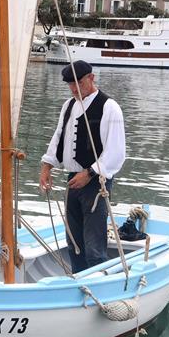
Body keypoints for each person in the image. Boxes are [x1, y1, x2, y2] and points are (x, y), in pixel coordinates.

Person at [39, 60, 126, 273]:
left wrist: (90, 173)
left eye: (78, 83)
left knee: (94, 245)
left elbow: (116, 152)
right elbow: (59, 136)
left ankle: (98, 285)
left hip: (97, 183)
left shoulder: (109, 107)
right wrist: (47, 166)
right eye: (70, 84)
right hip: (73, 179)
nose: (74, 88)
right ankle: (78, 280)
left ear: (91, 78)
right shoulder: (68, 105)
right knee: (74, 241)